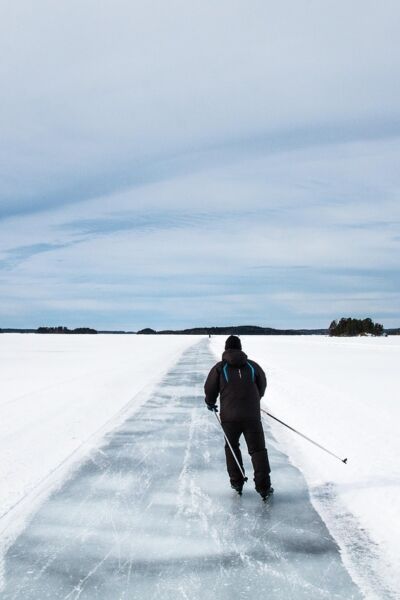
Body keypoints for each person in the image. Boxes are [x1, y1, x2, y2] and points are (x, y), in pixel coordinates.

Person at [204, 335, 272, 498]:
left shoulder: (220, 367)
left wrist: (210, 402)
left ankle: (237, 482)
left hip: (229, 417)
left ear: (226, 349)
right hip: (252, 417)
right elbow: (261, 385)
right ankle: (263, 487)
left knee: (232, 448)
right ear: (240, 348)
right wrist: (254, 400)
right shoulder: (253, 366)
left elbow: (210, 388)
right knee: (258, 450)